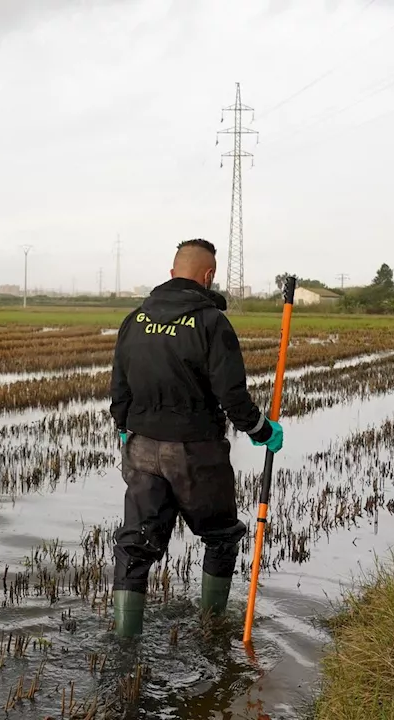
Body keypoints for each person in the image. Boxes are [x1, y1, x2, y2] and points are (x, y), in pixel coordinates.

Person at [108, 238, 284, 638]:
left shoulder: (134, 320)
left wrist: (125, 428)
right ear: (209, 277)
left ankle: (124, 643)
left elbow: (119, 388)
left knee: (135, 547)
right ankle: (212, 632)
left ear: (171, 274)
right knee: (220, 537)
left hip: (139, 448)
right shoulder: (211, 323)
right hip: (195, 453)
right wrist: (262, 430)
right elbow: (232, 397)